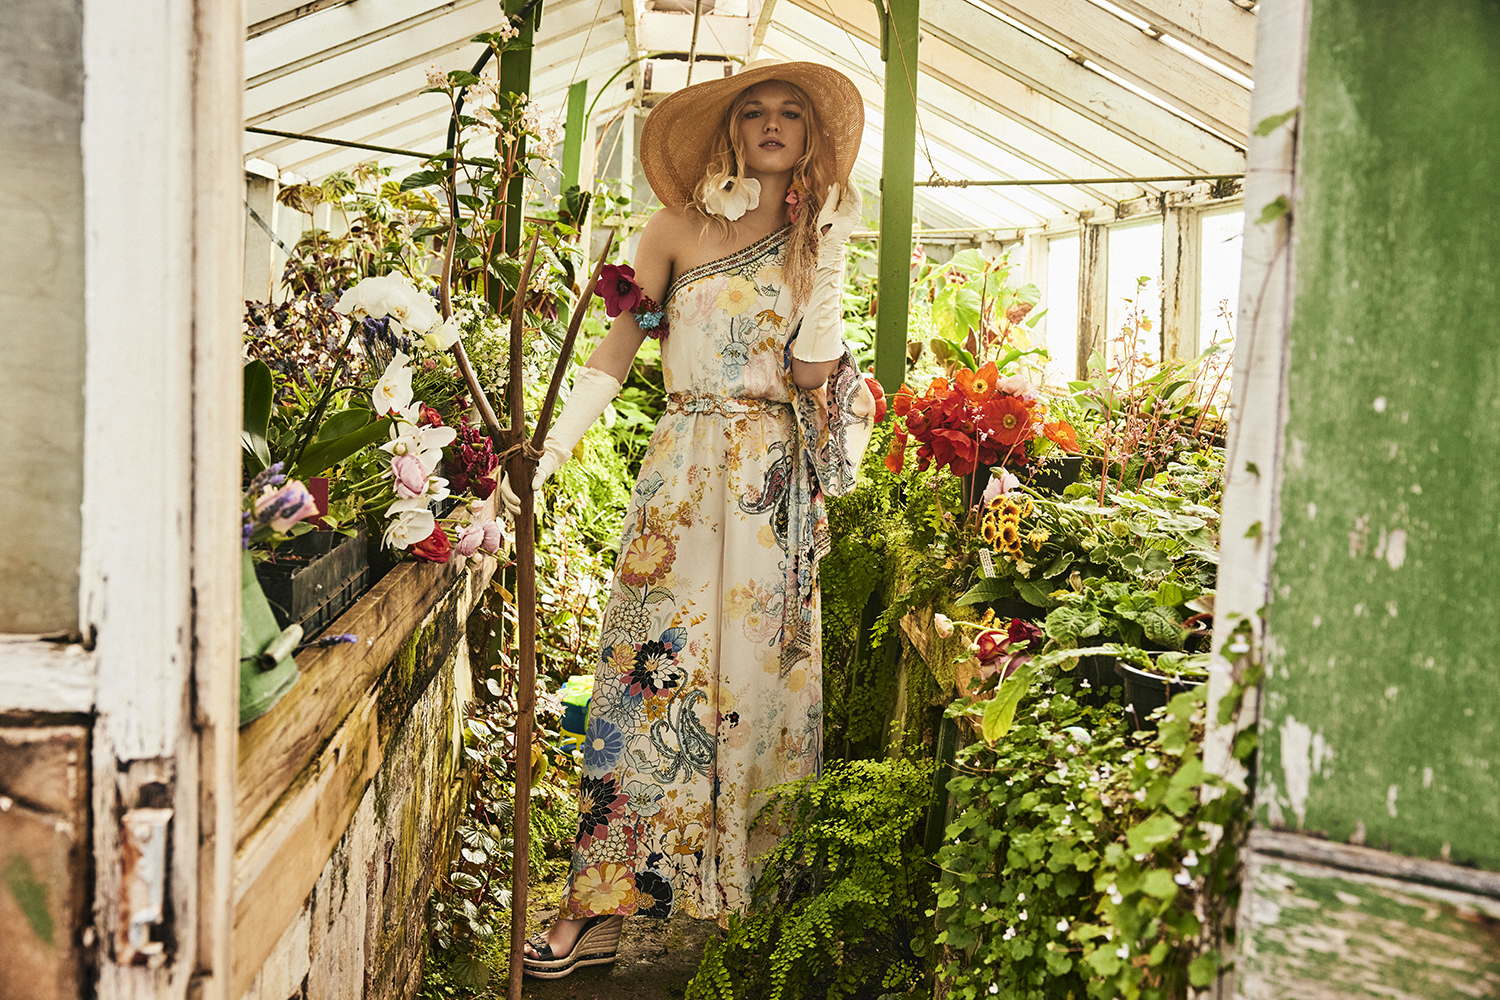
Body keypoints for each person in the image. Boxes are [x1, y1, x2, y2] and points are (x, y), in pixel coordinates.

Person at [505, 59, 875, 980]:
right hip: (679, 476)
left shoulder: (815, 243)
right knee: (646, 679)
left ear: (811, 137)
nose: (773, 124)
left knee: (761, 686)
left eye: (792, 113)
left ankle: (756, 907)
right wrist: (552, 451)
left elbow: (812, 376)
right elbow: (618, 346)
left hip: (771, 488)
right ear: (730, 130)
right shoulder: (671, 229)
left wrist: (830, 255)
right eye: (755, 111)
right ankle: (597, 902)